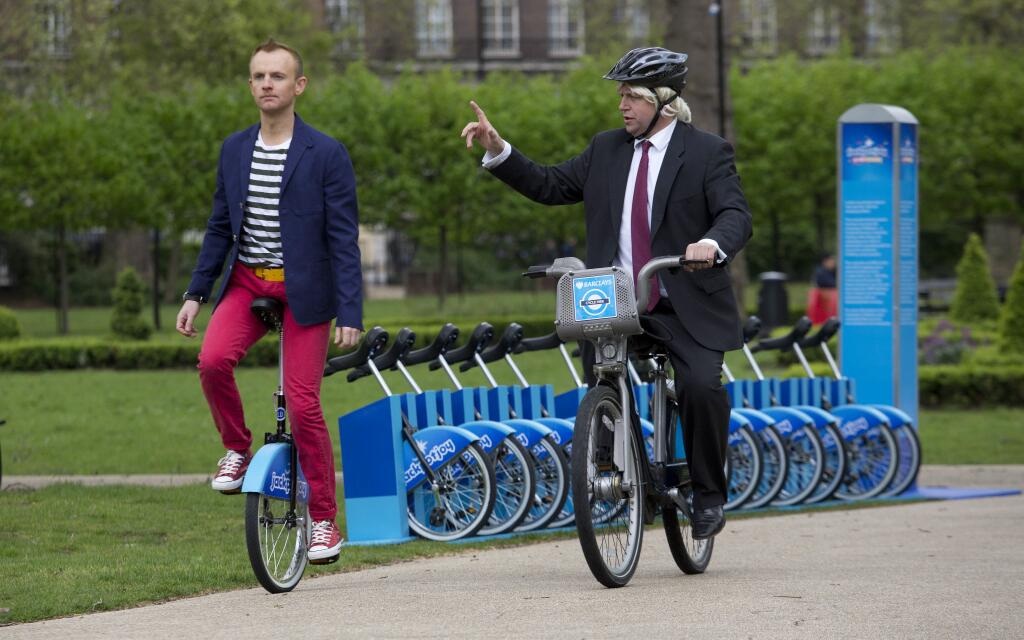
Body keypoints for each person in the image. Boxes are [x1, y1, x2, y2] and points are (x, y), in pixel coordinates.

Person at [461, 47, 752, 540]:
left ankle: (707, 494)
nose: (622, 106)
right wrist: (499, 149)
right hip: (616, 298)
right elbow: (551, 185)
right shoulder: (605, 149)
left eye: (632, 96)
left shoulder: (706, 152)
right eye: (620, 95)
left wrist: (711, 243)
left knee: (701, 386)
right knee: (603, 374)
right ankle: (611, 452)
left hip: (683, 301)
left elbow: (735, 215)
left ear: (663, 100)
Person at [176, 39, 363, 564]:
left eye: (277, 76)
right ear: (250, 84)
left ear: (298, 86)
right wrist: (196, 293)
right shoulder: (234, 149)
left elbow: (342, 238)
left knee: (303, 405)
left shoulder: (326, 153)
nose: (266, 84)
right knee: (212, 362)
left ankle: (324, 520)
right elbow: (218, 228)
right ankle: (236, 449)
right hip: (247, 283)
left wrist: (350, 311)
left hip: (307, 291)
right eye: (259, 76)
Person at [807, 253, 837, 324]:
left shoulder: (831, 271)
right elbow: (829, 284)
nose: (833, 263)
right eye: (831, 261)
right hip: (824, 292)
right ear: (825, 261)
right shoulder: (821, 271)